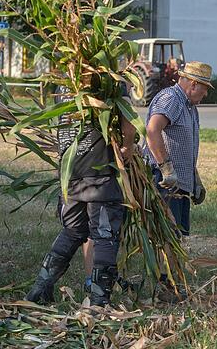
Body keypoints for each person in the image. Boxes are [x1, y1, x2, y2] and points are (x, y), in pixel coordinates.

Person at [26, 85, 136, 307]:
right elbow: (129, 122)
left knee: (73, 230)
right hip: (99, 175)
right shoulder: (108, 82)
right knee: (105, 235)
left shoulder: (64, 84)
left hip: (70, 172)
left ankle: (40, 289)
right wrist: (127, 148)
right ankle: (98, 299)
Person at [143, 62, 211, 238]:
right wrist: (166, 168)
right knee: (168, 236)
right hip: (165, 182)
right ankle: (165, 266)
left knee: (179, 235)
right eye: (204, 88)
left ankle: (175, 266)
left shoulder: (190, 107)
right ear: (194, 84)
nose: (206, 93)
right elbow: (152, 130)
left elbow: (184, 146)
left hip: (180, 183)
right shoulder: (171, 99)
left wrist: (195, 179)